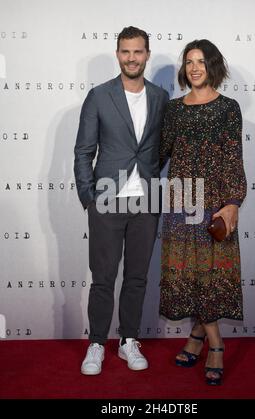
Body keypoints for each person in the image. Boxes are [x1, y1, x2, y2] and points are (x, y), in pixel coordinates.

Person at [74, 26, 169, 375]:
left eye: (138, 51)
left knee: (137, 277)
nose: (132, 57)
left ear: (147, 54)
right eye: (126, 51)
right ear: (118, 54)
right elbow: (84, 151)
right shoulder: (99, 96)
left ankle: (129, 340)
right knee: (103, 277)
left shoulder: (160, 97)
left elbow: (159, 150)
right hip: (106, 202)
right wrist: (88, 196)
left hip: (146, 202)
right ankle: (97, 343)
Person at [159, 39, 247, 385]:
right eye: (189, 61)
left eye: (201, 61)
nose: (194, 67)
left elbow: (233, 157)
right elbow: (160, 153)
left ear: (213, 66)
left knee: (209, 277)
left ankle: (209, 343)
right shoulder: (175, 109)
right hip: (182, 200)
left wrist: (232, 202)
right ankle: (208, 339)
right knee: (190, 275)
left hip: (216, 201)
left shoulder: (229, 108)